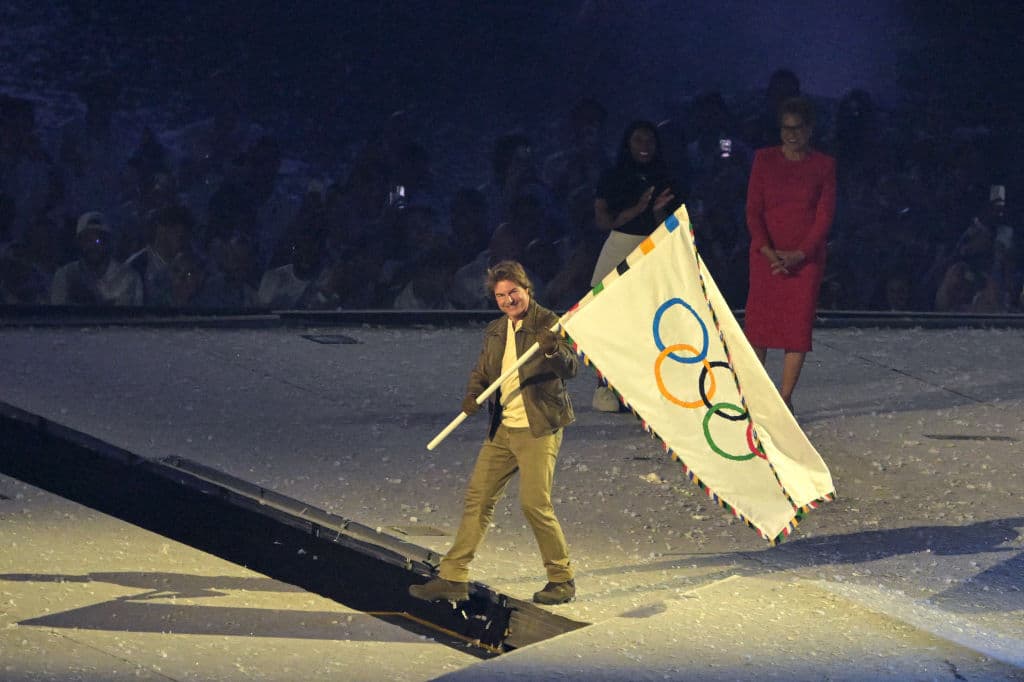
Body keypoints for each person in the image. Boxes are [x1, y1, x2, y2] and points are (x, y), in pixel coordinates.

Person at [409, 260, 579, 606]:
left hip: (538, 428)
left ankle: (562, 579)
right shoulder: (497, 330)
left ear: (526, 289)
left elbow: (571, 368)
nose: (508, 300)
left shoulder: (549, 323)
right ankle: (453, 577)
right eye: (501, 295)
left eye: (513, 292)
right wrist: (473, 394)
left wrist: (550, 348)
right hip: (503, 429)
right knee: (478, 499)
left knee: (534, 504)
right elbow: (484, 371)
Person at [743, 97, 836, 412]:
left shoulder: (823, 166)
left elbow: (824, 217)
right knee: (759, 327)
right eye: (786, 128)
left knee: (796, 328)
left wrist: (800, 254)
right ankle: (757, 397)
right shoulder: (764, 160)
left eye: (797, 128)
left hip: (804, 261)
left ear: (809, 130)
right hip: (766, 256)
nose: (791, 134)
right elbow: (754, 210)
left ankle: (783, 399)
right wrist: (766, 249)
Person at [589, 120, 679, 411]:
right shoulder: (613, 176)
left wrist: (656, 211)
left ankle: (642, 388)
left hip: (652, 250)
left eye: (650, 141)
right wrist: (638, 209)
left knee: (648, 324)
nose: (645, 147)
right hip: (619, 247)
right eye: (638, 140)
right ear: (627, 144)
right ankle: (604, 388)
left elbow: (669, 226)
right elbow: (603, 221)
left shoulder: (666, 177)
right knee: (610, 323)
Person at [50, 211, 143, 306]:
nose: (93, 246)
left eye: (98, 240)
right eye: (87, 240)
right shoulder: (64, 276)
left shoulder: (130, 278)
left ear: (108, 242)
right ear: (78, 243)